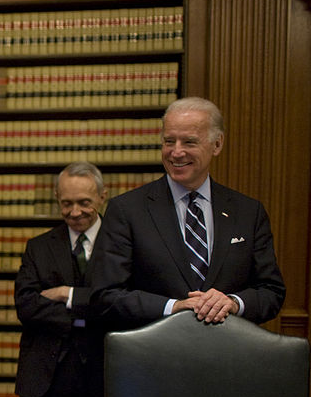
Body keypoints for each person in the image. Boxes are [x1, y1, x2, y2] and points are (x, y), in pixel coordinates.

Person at [91, 97, 285, 328]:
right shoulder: (126, 210)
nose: (176, 152)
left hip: (229, 354)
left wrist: (233, 303)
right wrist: (174, 307)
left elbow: (271, 292)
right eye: (169, 141)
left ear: (217, 144)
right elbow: (104, 295)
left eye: (189, 142)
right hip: (154, 355)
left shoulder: (248, 212)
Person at [14, 162, 108, 397]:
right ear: (57, 199)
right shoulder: (38, 247)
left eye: (84, 202)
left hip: (102, 370)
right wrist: (88, 315)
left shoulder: (121, 245)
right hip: (44, 372)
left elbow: (120, 304)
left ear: (102, 196)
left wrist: (67, 296)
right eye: (66, 203)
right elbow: (26, 306)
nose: (75, 212)